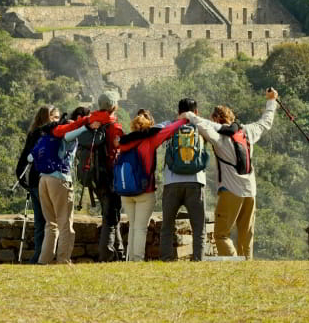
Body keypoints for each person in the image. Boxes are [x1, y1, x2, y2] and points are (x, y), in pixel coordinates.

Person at [181, 87, 278, 259]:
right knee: (246, 235)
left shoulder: (219, 137)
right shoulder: (247, 131)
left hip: (230, 191)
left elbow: (202, 125)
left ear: (217, 119)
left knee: (221, 234)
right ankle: (246, 268)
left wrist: (189, 115)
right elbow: (266, 122)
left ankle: (236, 264)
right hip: (251, 191)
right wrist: (271, 100)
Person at [56, 92, 124, 262]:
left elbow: (62, 131)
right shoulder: (113, 126)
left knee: (110, 212)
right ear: (114, 106)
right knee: (110, 215)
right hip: (110, 176)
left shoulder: (89, 120)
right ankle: (107, 254)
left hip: (93, 176)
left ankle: (119, 253)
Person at [116, 108, 187, 261]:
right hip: (144, 190)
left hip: (126, 192)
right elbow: (169, 130)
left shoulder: (124, 143)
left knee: (133, 225)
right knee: (140, 228)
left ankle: (130, 259)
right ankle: (137, 259)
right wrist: (184, 119)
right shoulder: (149, 140)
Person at [33, 110, 92, 264]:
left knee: (50, 224)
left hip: (43, 179)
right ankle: (63, 260)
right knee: (65, 223)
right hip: (60, 179)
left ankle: (43, 260)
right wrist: (88, 127)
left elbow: (30, 157)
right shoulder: (66, 136)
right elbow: (69, 136)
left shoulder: (48, 136)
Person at [160, 98, 207, 261]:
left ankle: (166, 258)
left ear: (178, 112)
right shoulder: (200, 126)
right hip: (196, 181)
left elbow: (154, 134)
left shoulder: (170, 126)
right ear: (196, 112)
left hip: (171, 182)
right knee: (199, 226)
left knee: (167, 225)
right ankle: (198, 259)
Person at [15, 105, 60, 263]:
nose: (57, 121)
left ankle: (38, 255)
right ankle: (43, 256)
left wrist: (23, 181)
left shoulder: (33, 133)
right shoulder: (46, 135)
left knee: (40, 221)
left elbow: (23, 158)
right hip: (44, 181)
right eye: (55, 117)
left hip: (34, 182)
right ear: (48, 117)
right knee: (50, 220)